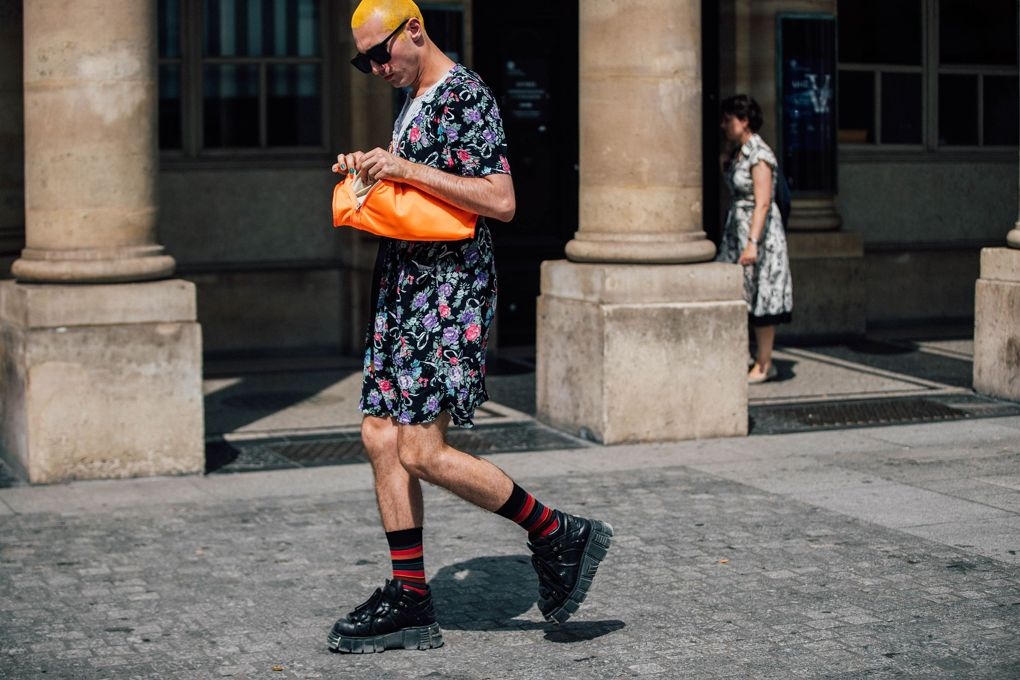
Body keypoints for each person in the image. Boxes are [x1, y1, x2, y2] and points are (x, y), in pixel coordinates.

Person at [327, 0, 614, 654]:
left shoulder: (465, 96)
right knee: (379, 435)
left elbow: (501, 200)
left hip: (447, 293)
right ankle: (411, 598)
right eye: (363, 60)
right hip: (405, 287)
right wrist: (371, 175)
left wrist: (403, 168)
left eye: (381, 53)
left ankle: (558, 532)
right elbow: (423, 198)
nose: (375, 68)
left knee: (421, 450)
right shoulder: (413, 98)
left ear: (416, 29)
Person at [716, 94, 794, 384]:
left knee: (763, 297)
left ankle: (764, 363)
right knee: (738, 292)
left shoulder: (759, 154)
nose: (723, 125)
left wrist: (753, 243)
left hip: (758, 233)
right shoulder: (739, 152)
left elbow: (763, 202)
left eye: (728, 119)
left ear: (744, 121)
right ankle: (746, 355)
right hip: (737, 229)